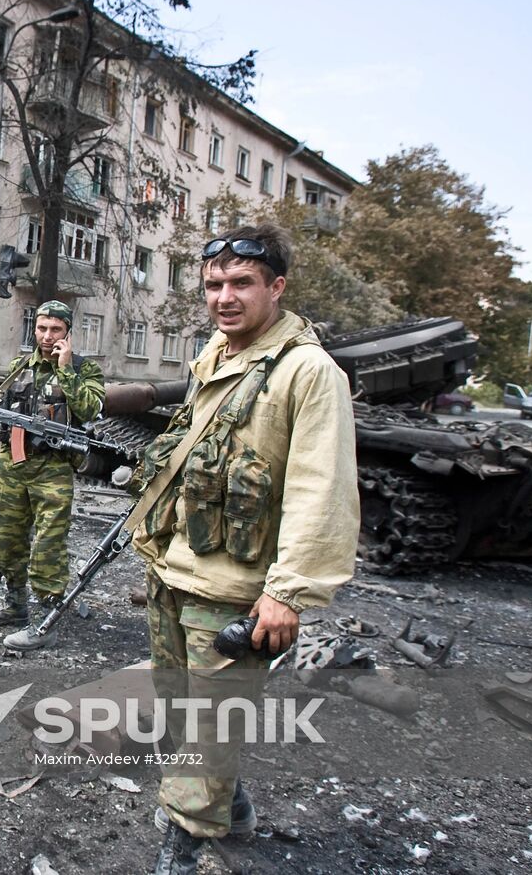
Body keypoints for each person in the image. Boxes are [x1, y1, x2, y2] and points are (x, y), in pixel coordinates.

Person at [126, 225, 359, 875]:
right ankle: (230, 807)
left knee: (208, 733)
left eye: (241, 284)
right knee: (180, 713)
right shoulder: (219, 354)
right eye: (214, 285)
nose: (224, 298)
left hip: (234, 592)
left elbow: (324, 489)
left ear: (277, 287)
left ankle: (184, 848)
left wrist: (288, 593)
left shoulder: (309, 373)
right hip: (176, 571)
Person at [0, 300, 104, 650]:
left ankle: (45, 621)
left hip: (54, 472)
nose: (47, 336)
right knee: (9, 541)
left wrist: (66, 370)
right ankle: (15, 607)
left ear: (67, 333)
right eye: (42, 328)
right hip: (14, 468)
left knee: (48, 547)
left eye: (55, 330)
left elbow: (90, 409)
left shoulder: (83, 369)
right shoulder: (20, 368)